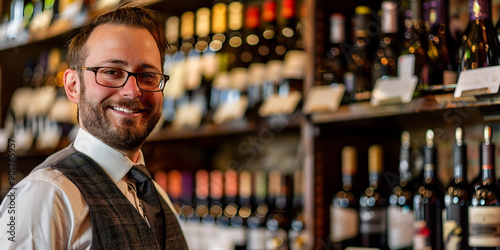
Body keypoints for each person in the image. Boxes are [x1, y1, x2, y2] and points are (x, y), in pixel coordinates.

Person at [0, 4, 188, 249]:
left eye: (148, 75)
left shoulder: (156, 195)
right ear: (73, 86)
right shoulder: (45, 197)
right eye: (111, 71)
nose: (133, 91)